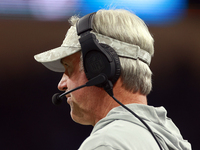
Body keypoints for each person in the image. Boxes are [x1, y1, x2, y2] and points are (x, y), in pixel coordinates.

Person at [34, 9, 191, 150]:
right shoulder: (170, 139)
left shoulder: (106, 143)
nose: (61, 84)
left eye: (69, 68)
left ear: (99, 68)